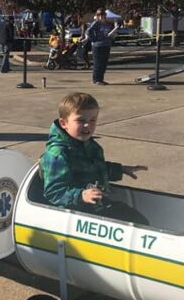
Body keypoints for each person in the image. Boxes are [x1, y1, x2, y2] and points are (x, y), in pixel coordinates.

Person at [41, 92, 148, 224]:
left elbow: (94, 168)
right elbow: (53, 192)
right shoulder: (58, 154)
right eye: (81, 120)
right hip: (72, 214)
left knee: (136, 219)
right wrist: (81, 195)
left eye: (92, 120)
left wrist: (120, 170)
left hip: (95, 205)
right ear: (64, 123)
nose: (88, 125)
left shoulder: (88, 144)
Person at [85, 8, 119, 85]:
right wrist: (94, 39)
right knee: (98, 63)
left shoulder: (107, 24)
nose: (101, 16)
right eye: (99, 15)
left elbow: (109, 34)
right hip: (98, 46)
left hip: (106, 45)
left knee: (104, 63)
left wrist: (113, 35)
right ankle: (96, 80)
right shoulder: (96, 23)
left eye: (102, 14)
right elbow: (88, 31)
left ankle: (100, 79)